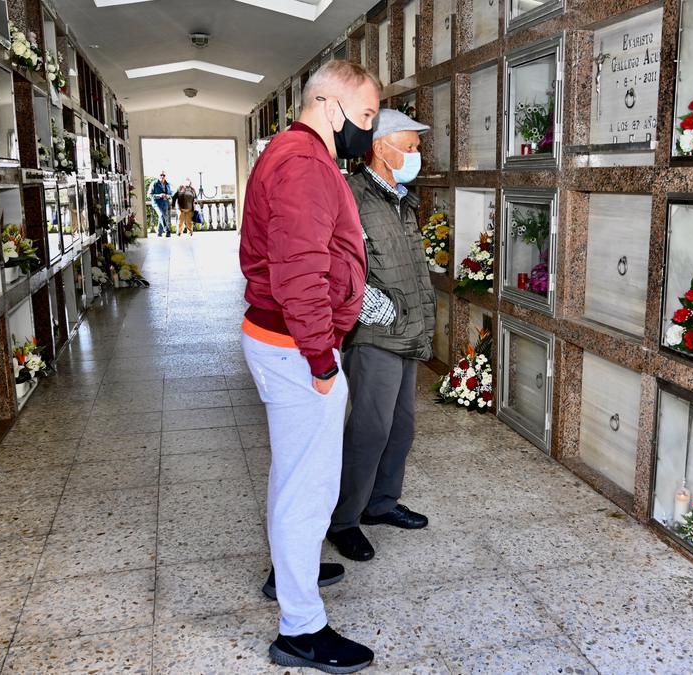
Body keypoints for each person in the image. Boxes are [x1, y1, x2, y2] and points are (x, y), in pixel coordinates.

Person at [238, 59, 381, 674]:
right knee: (309, 484)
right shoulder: (303, 164)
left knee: (293, 471)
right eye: (367, 116)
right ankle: (301, 630)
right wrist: (321, 359)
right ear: (330, 105)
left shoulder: (296, 154)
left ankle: (286, 570)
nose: (368, 132)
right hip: (298, 347)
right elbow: (299, 274)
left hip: (284, 341)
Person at [326, 109, 433, 563]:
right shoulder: (351, 195)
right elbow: (334, 259)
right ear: (379, 147)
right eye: (408, 147)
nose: (416, 155)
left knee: (401, 426)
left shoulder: (400, 198)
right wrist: (371, 304)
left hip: (408, 327)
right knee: (370, 428)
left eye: (417, 147)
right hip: (375, 332)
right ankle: (343, 520)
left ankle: (381, 502)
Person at [150, 172, 173, 237]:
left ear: (165, 176)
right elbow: (150, 194)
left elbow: (171, 193)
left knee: (162, 217)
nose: (162, 176)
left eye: (164, 175)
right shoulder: (154, 183)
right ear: (158, 176)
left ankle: (159, 233)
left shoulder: (167, 184)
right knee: (161, 215)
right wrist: (159, 195)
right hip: (156, 203)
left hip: (165, 203)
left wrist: (168, 196)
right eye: (161, 175)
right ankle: (167, 230)